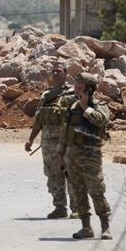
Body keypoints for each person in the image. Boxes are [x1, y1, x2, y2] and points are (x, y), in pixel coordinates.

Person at [57, 73, 112, 240]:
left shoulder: (99, 106)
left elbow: (102, 121)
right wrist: (61, 154)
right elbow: (65, 132)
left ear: (89, 89)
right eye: (75, 87)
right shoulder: (73, 107)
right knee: (79, 191)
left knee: (96, 191)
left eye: (80, 88)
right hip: (73, 156)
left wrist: (86, 107)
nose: (76, 91)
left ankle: (105, 227)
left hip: (91, 155)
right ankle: (86, 227)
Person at [25, 61, 77, 219]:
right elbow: (39, 120)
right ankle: (60, 207)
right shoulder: (46, 96)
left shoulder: (73, 94)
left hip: (68, 142)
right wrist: (30, 140)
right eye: (53, 71)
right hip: (48, 143)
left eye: (59, 71)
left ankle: (77, 208)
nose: (55, 74)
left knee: (72, 175)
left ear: (66, 74)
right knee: (54, 175)